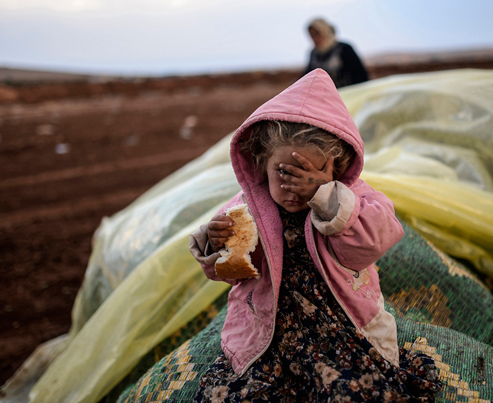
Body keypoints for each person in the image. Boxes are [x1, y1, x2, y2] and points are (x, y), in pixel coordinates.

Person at [189, 68, 441, 402]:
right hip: (271, 327)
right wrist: (214, 244)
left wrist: (325, 197)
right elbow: (234, 272)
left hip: (336, 326)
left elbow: (366, 247)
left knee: (352, 392)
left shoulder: (353, 199)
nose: (298, 186)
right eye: (285, 172)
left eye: (314, 172)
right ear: (261, 162)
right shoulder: (246, 208)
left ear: (336, 168)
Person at [303, 18, 369, 88]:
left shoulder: (344, 49)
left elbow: (360, 75)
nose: (315, 39)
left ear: (325, 31)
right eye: (312, 35)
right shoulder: (314, 54)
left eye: (317, 34)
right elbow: (307, 78)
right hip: (325, 97)